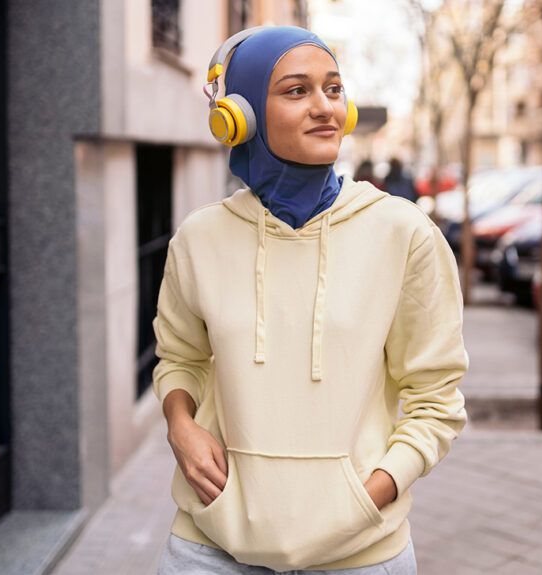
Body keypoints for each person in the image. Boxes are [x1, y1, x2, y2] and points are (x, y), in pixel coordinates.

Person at [153, 25, 468, 574]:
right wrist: (182, 426)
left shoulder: (404, 233)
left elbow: (436, 397)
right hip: (211, 548)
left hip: (361, 552)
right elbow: (179, 358)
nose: (325, 108)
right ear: (239, 115)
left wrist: (368, 494)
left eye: (333, 89)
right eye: (297, 91)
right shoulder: (199, 239)